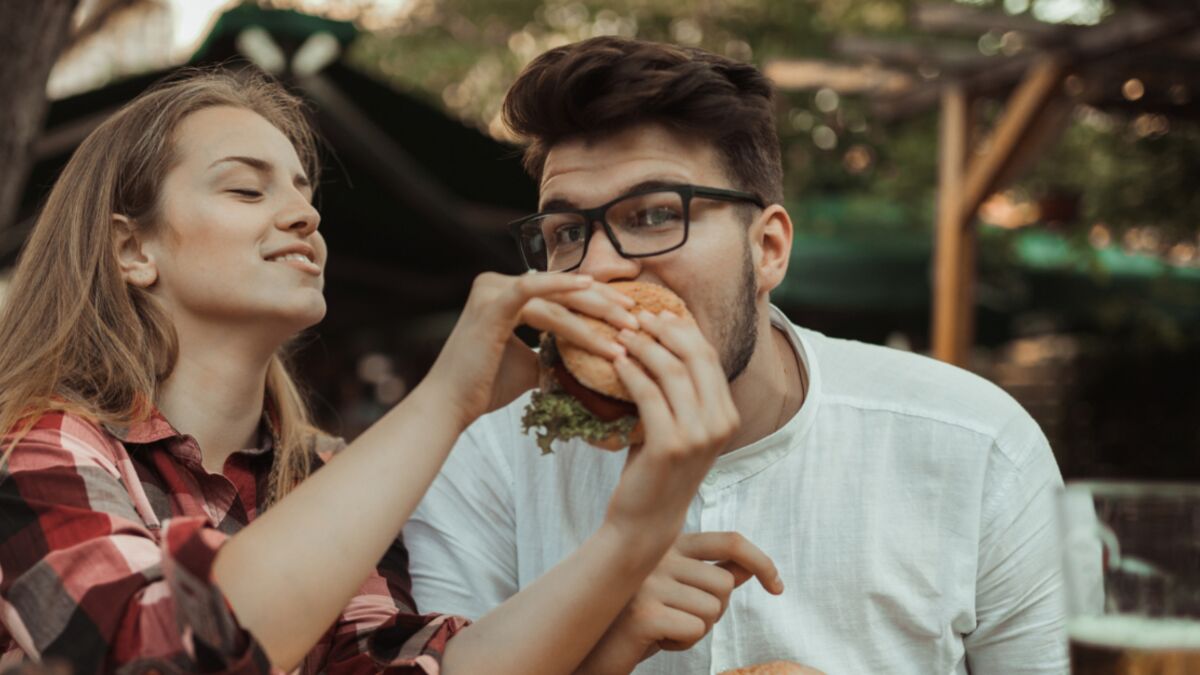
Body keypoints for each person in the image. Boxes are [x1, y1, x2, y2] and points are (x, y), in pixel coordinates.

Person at [0, 67, 778, 675]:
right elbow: (158, 653)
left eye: (305, 193)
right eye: (247, 188)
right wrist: (448, 396)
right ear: (133, 249)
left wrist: (627, 544)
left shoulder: (319, 475)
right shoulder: (42, 448)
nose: (305, 215)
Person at [405, 36, 1068, 674]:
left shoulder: (978, 449)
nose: (597, 268)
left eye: (654, 214)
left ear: (768, 248)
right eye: (568, 231)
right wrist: (593, 635)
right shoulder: (481, 459)